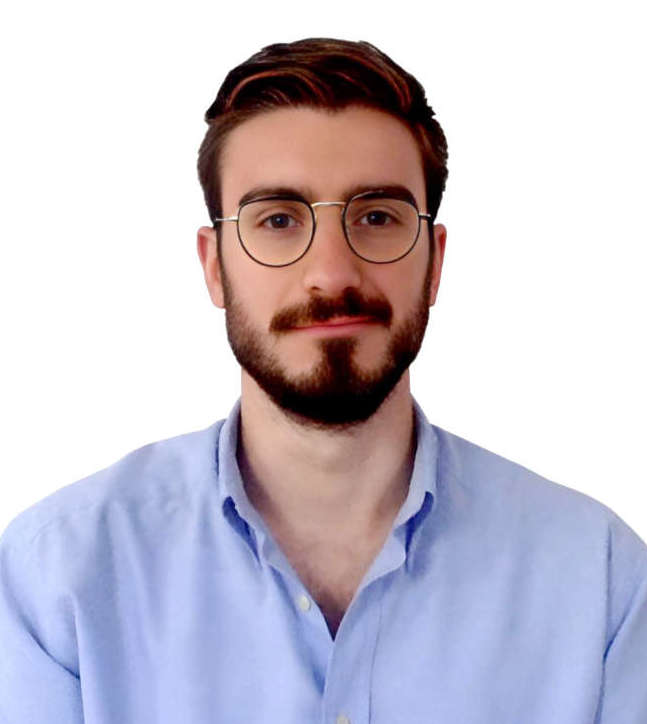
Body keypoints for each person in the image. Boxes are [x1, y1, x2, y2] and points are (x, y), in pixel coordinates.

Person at [1, 37, 645, 724]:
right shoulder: (56, 580)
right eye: (278, 220)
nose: (332, 274)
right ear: (214, 266)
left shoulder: (599, 579)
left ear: (434, 264)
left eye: (377, 217)